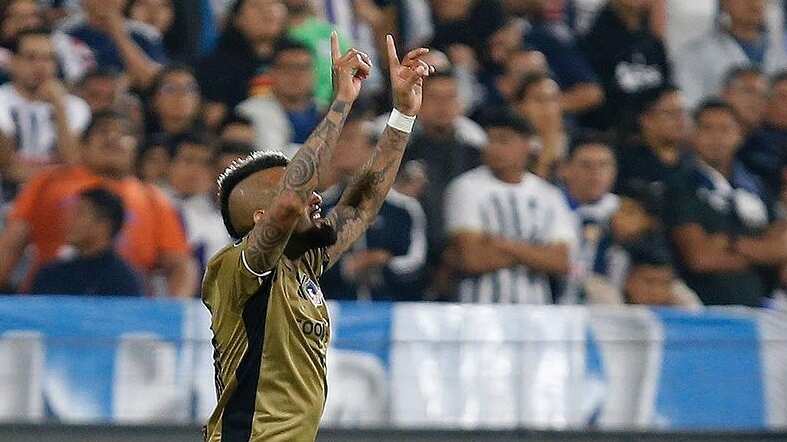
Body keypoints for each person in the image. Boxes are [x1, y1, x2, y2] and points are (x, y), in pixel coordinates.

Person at [201, 34, 432, 440]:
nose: (313, 195)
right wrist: (342, 100)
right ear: (261, 218)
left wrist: (402, 115)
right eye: (293, 187)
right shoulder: (237, 270)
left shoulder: (303, 264)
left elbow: (361, 204)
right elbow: (290, 202)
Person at [0, 110, 198, 297]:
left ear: (136, 150)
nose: (113, 137)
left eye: (124, 134)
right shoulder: (48, 183)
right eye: (103, 130)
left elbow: (182, 266)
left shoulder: (153, 198)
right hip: (50, 298)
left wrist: (171, 315)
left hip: (125, 304)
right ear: (83, 145)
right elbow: (10, 246)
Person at [444, 108, 577, 304]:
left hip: (534, 314)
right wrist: (536, 253)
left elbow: (561, 262)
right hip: (479, 311)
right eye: (491, 140)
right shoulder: (466, 187)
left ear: (527, 145)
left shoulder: (549, 195)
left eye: (504, 141)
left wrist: (502, 244)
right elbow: (472, 258)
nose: (494, 148)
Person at [664, 99, 787, 306]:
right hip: (705, 310)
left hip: (760, 309)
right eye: (707, 129)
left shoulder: (755, 184)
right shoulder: (680, 185)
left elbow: (781, 248)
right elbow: (700, 258)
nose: (716, 138)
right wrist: (761, 254)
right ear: (692, 135)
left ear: (740, 135)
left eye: (725, 129)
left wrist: (731, 244)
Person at [0, 28, 90, 175]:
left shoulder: (76, 106)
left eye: (49, 58)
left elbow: (73, 161)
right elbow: (5, 165)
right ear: (13, 62)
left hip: (59, 194)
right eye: (31, 57)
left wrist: (60, 108)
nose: (41, 66)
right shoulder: (1, 99)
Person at [30, 187, 144, 296]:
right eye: (71, 213)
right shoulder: (51, 275)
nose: (70, 220)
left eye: (79, 213)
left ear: (104, 225)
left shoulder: (122, 281)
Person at [674, 0, 787, 108]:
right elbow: (689, 107)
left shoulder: (780, 50)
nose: (755, 3)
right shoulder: (695, 54)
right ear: (724, 2)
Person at [580, 0, 672, 132]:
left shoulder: (653, 43)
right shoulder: (593, 41)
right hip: (611, 137)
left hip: (652, 137)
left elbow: (667, 90)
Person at [195, 0, 287, 128]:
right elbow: (214, 115)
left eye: (273, 4)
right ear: (237, 18)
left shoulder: (297, 56)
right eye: (256, 6)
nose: (268, 11)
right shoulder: (216, 65)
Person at [559, 134, 619, 304]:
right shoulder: (552, 207)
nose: (596, 174)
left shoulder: (623, 210)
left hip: (613, 289)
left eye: (604, 165)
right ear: (565, 169)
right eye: (586, 165)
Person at [237, 38, 321, 151]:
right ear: (271, 72)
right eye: (287, 67)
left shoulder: (327, 112)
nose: (295, 75)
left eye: (303, 68)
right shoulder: (249, 112)